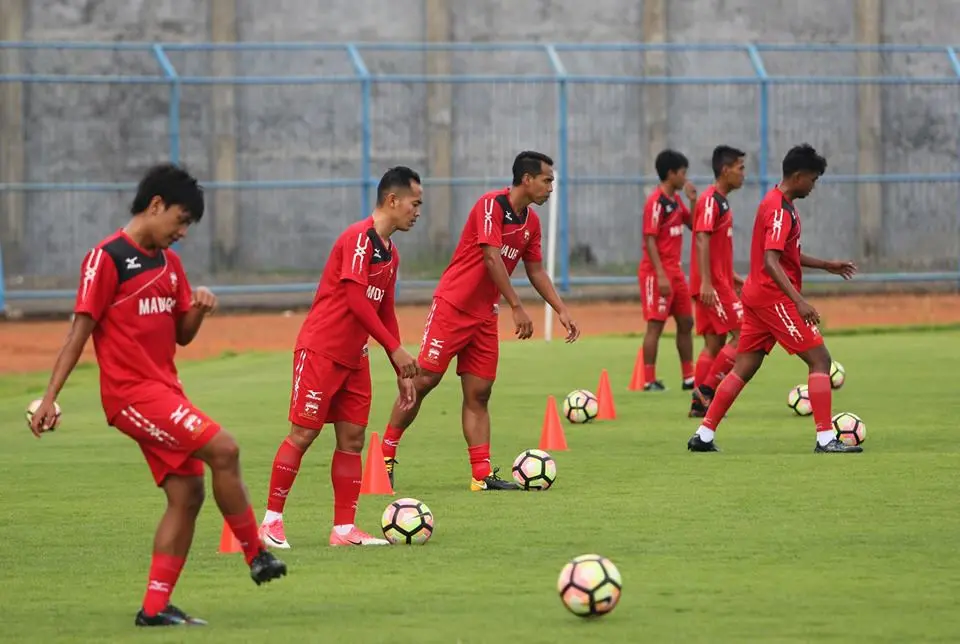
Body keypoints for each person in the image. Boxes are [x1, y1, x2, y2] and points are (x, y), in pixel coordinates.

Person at [28, 163, 287, 628]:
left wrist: (200, 310)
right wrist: (49, 398)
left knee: (187, 493)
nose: (183, 232)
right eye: (181, 220)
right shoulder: (106, 259)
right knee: (225, 448)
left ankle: (154, 609)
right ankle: (257, 554)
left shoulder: (171, 266)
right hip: (131, 396)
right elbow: (78, 333)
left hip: (166, 393)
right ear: (155, 206)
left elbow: (181, 335)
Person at [377, 151, 580, 491]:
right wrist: (516, 305)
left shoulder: (531, 223)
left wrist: (560, 309)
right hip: (452, 307)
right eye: (547, 180)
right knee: (424, 382)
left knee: (480, 393)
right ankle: (384, 456)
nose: (550, 188)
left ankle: (481, 474)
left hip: (485, 316)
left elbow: (536, 270)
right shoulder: (491, 206)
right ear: (527, 180)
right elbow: (491, 256)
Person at [259, 166, 422, 550]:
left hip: (355, 357)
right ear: (392, 200)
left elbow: (384, 310)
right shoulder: (358, 239)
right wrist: (395, 349)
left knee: (352, 439)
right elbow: (355, 300)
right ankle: (270, 522)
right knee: (304, 433)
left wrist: (397, 364)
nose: (418, 212)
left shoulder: (391, 253)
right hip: (321, 350)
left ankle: (344, 529)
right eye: (415, 204)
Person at [686, 144, 862, 453]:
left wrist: (826, 265)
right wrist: (798, 301)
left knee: (744, 368)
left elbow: (786, 253)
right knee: (820, 360)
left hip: (758, 295)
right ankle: (825, 439)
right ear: (797, 176)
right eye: (812, 179)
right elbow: (771, 260)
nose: (814, 185)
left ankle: (703, 435)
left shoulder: (776, 202)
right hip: (773, 298)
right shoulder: (780, 209)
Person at [688, 145, 747, 417]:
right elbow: (701, 237)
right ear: (725, 170)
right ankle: (708, 390)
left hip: (717, 282)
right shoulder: (712, 200)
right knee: (745, 333)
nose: (743, 174)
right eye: (740, 168)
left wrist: (733, 277)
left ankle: (699, 404)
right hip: (713, 287)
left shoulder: (720, 200)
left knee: (713, 344)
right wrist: (708, 283)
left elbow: (715, 249)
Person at [638, 149, 698, 392]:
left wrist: (693, 201)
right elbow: (650, 239)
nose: (685, 178)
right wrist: (660, 274)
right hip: (657, 273)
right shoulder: (656, 202)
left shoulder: (675, 200)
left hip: (676, 273)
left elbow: (693, 224)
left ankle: (689, 377)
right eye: (683, 173)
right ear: (671, 174)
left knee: (686, 322)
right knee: (656, 325)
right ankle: (649, 380)